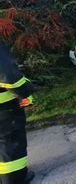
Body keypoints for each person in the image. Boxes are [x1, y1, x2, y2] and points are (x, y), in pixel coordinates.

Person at [0, 41, 35, 184]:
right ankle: (13, 179)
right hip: (3, 109)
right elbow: (9, 76)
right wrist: (25, 90)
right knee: (10, 141)